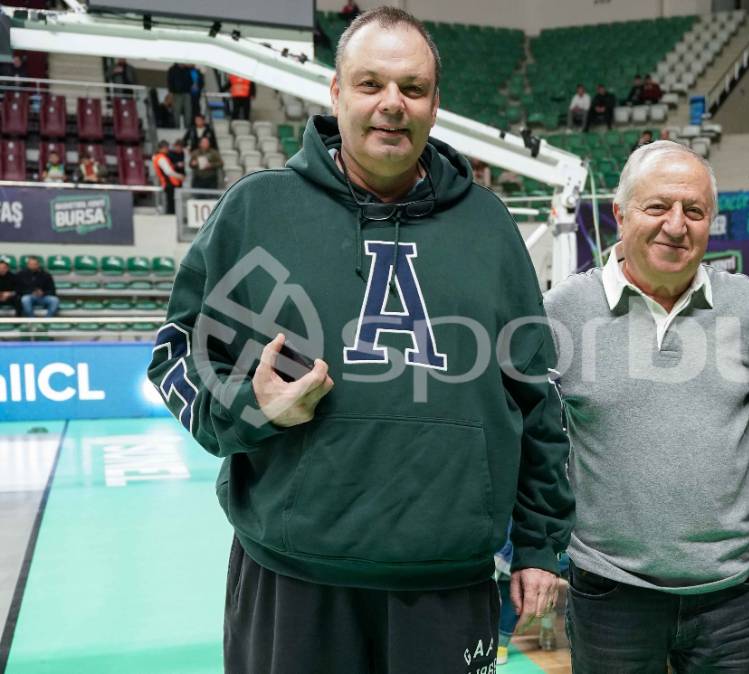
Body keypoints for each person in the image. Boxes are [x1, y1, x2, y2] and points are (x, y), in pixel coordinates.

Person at [146, 9, 573, 673]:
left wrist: (541, 547)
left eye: (413, 87)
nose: (392, 105)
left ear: (436, 104)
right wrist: (252, 408)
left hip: (448, 585)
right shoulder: (260, 211)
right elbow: (176, 353)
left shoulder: (488, 228)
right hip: (292, 582)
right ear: (336, 93)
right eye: (371, 83)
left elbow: (537, 399)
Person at [544, 141, 749, 674]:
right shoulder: (563, 312)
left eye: (694, 211)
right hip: (612, 593)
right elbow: (537, 438)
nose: (677, 225)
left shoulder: (747, 305)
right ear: (620, 214)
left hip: (732, 597)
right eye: (657, 207)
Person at [152, 140, 184, 214]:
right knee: (171, 205)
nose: (168, 150)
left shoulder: (158, 157)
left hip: (168, 183)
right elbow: (168, 172)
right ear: (163, 148)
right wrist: (180, 176)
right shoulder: (161, 158)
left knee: (171, 203)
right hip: (169, 183)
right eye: (166, 148)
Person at [167, 62, 193, 127]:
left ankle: (188, 127)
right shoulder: (172, 69)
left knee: (188, 111)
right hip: (176, 93)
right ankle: (176, 126)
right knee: (176, 111)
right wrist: (171, 92)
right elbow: (170, 81)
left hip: (187, 92)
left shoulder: (187, 69)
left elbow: (191, 80)